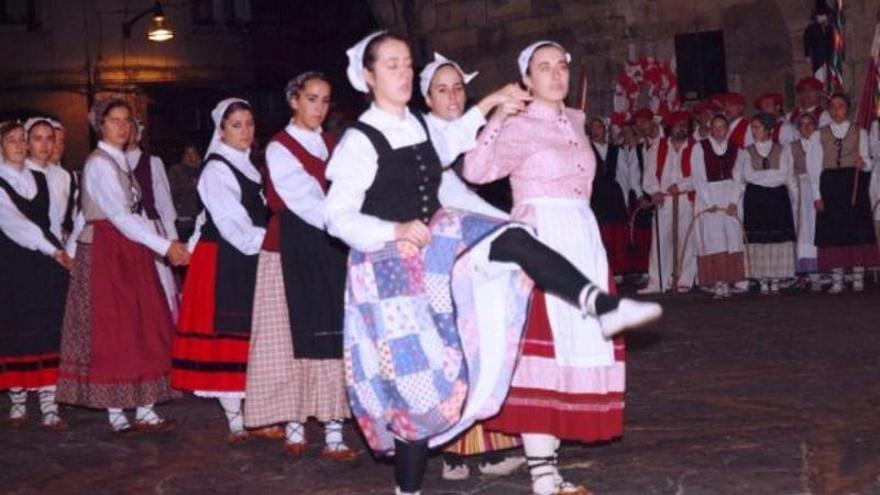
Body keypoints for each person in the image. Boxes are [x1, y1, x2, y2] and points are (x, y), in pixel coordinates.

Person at [327, 32, 660, 495]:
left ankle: (602, 305)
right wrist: (394, 230)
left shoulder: (418, 127)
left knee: (514, 236)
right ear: (368, 76)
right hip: (386, 272)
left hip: (432, 255)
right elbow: (336, 216)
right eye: (391, 66)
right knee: (416, 388)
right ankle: (408, 490)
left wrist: (492, 103)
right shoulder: (360, 140)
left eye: (406, 63)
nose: (402, 73)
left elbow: (452, 143)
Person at [464, 40, 662, 495]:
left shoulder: (575, 120)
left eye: (560, 66)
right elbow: (475, 171)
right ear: (527, 79)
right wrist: (497, 115)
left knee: (576, 348)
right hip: (541, 237)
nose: (555, 75)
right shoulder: (517, 124)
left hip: (581, 233)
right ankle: (541, 477)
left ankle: (549, 469)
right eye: (543, 68)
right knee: (544, 354)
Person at [419, 52, 524, 481]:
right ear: (426, 97)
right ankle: (457, 448)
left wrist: (512, 223)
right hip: (430, 256)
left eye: (458, 88)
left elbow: (458, 194)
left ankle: (473, 446)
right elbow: (445, 194)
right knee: (455, 347)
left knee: (477, 341)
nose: (453, 97)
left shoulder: (453, 135)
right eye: (442, 90)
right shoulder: (425, 134)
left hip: (456, 252)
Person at [242, 73, 355, 461]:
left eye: (325, 101)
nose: (318, 108)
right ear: (294, 100)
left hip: (330, 246)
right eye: (311, 99)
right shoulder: (279, 147)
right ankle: (294, 424)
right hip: (292, 246)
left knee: (331, 333)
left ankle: (335, 429)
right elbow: (305, 200)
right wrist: (349, 225)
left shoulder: (333, 144)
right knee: (290, 336)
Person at [56, 98, 184, 434]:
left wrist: (159, 243)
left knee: (143, 324)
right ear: (100, 124)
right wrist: (165, 245)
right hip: (109, 252)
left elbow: (94, 211)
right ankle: (116, 409)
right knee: (114, 328)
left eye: (127, 121)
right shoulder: (99, 163)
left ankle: (144, 406)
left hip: (130, 248)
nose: (122, 127)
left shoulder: (119, 161)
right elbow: (116, 216)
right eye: (114, 120)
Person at [172, 98, 282, 443]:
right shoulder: (217, 169)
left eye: (249, 124)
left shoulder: (251, 166)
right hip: (225, 257)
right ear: (221, 130)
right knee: (229, 336)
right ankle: (238, 420)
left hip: (248, 254)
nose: (245, 131)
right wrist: (275, 241)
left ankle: (256, 412)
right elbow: (230, 223)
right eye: (236, 125)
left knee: (252, 336)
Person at [0, 120, 71, 430]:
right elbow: (14, 223)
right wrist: (51, 249)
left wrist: (61, 251)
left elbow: (53, 222)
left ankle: (49, 402)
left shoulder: (40, 179)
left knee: (47, 328)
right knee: (17, 328)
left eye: (21, 140)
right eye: (11, 140)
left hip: (44, 266)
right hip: (14, 265)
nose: (18, 145)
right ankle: (18, 399)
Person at [810, 94, 877, 293]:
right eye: (833, 107)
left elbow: (869, 162)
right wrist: (816, 195)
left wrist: (863, 163)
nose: (836, 110)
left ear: (847, 108)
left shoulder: (860, 133)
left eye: (840, 106)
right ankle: (837, 278)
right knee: (833, 232)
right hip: (830, 185)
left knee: (855, 230)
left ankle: (857, 276)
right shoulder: (818, 134)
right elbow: (813, 166)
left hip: (853, 185)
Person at [126, 120, 180, 318]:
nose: (126, 132)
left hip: (150, 226)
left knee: (158, 279)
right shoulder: (111, 161)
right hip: (125, 231)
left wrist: (172, 238)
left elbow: (165, 202)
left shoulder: (152, 162)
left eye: (130, 128)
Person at [640, 111, 697, 293]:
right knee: (660, 240)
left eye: (684, 125)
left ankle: (684, 280)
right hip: (664, 200)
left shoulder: (695, 147)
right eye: (678, 125)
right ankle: (658, 282)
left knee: (686, 241)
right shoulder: (659, 146)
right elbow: (648, 173)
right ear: (670, 128)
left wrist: (681, 185)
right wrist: (654, 191)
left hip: (685, 199)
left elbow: (698, 175)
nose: (681, 128)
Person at [690, 114, 746, 298]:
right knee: (714, 240)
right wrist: (709, 202)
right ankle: (717, 282)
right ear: (711, 129)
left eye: (723, 126)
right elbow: (698, 177)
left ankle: (730, 280)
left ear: (727, 129)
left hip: (729, 196)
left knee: (731, 238)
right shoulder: (700, 148)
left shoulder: (736, 149)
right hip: (710, 197)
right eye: (716, 127)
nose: (719, 130)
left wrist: (733, 200)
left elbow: (739, 176)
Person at [740, 113, 797, 294]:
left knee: (777, 239)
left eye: (758, 127)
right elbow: (747, 175)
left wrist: (762, 177)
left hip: (777, 198)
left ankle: (776, 278)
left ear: (769, 130)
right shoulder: (746, 152)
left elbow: (785, 175)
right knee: (759, 240)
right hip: (756, 199)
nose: (754, 131)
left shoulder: (783, 150)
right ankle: (762, 278)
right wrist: (769, 176)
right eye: (753, 128)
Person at [588, 117, 630, 278]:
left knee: (616, 234)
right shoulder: (586, 149)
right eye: (593, 127)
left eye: (599, 127)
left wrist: (625, 199)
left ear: (605, 130)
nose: (596, 131)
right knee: (601, 234)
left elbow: (623, 175)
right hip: (596, 195)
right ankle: (602, 270)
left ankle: (618, 270)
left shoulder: (615, 150)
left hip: (613, 194)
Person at [790, 113, 823, 290]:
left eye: (810, 123)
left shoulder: (821, 144)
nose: (807, 127)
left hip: (818, 189)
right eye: (802, 124)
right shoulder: (792, 147)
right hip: (801, 191)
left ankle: (820, 272)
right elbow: (788, 173)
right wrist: (796, 192)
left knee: (818, 229)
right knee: (803, 231)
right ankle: (805, 272)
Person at [168, 143, 202, 242]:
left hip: (202, 218)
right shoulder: (176, 170)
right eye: (187, 153)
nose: (191, 156)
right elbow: (171, 191)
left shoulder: (205, 168)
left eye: (193, 153)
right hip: (185, 218)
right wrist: (191, 184)